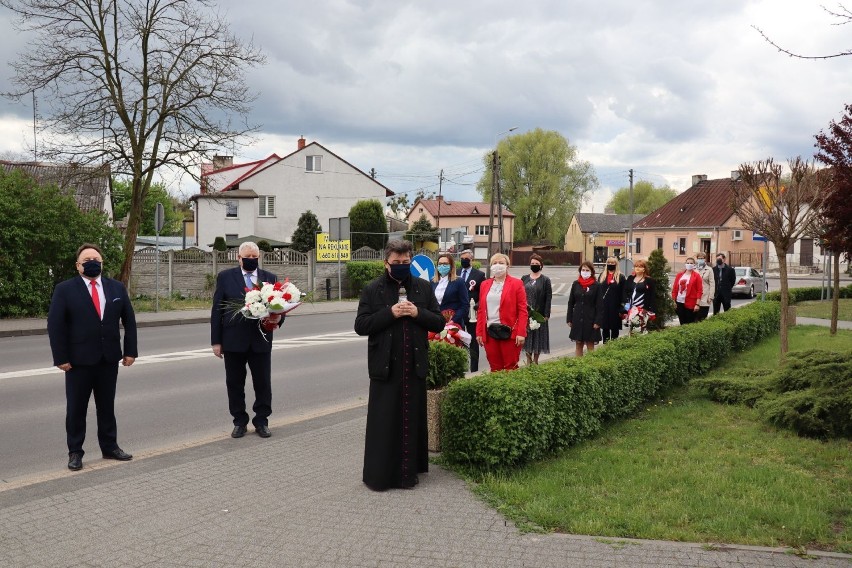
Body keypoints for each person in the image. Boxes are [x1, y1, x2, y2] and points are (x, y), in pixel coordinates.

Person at [354, 240, 444, 491]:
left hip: (413, 365)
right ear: (386, 263)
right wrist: (390, 313)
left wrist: (417, 313)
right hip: (385, 367)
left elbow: (438, 323)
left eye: (406, 263)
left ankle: (409, 472)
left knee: (411, 418)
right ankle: (382, 475)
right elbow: (361, 326)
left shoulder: (424, 288)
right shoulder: (373, 289)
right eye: (397, 263)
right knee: (385, 421)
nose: (402, 266)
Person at [47, 243, 138, 471]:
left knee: (107, 406)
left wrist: (130, 351)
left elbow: (130, 321)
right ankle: (75, 452)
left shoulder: (116, 288)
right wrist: (61, 357)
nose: (92, 262)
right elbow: (55, 325)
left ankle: (110, 447)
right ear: (78, 266)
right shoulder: (65, 289)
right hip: (78, 361)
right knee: (76, 409)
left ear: (102, 263)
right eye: (87, 260)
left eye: (96, 259)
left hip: (108, 359)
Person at [211, 241, 283, 439]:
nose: (251, 260)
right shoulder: (225, 278)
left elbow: (279, 307)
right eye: (248, 257)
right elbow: (218, 310)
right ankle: (239, 421)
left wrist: (277, 319)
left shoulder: (269, 278)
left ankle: (262, 421)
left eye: (255, 257)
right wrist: (216, 342)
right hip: (233, 340)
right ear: (238, 258)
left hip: (260, 340)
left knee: (262, 383)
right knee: (234, 383)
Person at [476, 253, 528, 371]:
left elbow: (522, 310)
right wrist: (479, 332)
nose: (497, 266)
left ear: (507, 266)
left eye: (501, 263)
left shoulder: (516, 283)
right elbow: (481, 310)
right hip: (490, 332)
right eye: (494, 263)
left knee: (511, 366)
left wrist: (521, 333)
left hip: (509, 332)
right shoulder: (485, 284)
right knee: (495, 367)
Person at [567, 261, 603, 357]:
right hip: (577, 318)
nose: (585, 272)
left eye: (587, 270)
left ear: (591, 272)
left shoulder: (596, 285)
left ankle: (590, 367)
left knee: (590, 345)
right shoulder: (576, 284)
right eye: (583, 270)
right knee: (578, 344)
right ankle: (579, 367)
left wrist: (598, 321)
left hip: (590, 319)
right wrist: (569, 318)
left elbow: (600, 305)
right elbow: (571, 303)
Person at [521, 253, 552, 365]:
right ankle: (528, 360)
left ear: (541, 265)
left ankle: (536, 361)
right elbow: (519, 295)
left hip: (539, 314)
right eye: (532, 263)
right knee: (528, 338)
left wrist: (546, 314)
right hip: (526, 313)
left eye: (537, 264)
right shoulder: (524, 278)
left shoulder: (545, 280)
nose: (534, 265)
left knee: (538, 338)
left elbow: (548, 298)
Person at [458, 250, 486, 372]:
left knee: (473, 342)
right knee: (457, 339)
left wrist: (478, 305)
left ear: (472, 260)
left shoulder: (479, 275)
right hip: (458, 313)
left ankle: (474, 370)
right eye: (462, 258)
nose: (464, 260)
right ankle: (459, 368)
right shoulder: (456, 273)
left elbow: (483, 294)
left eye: (466, 258)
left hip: (472, 314)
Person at [431, 252, 468, 325]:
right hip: (436, 323)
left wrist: (453, 320)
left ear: (451, 266)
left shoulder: (459, 282)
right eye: (440, 264)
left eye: (445, 264)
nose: (442, 266)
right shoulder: (432, 282)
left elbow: (465, 305)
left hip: (454, 324)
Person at [598, 256, 626, 343]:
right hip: (604, 307)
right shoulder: (602, 276)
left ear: (616, 264)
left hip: (615, 307)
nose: (610, 265)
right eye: (609, 263)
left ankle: (613, 349)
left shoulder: (620, 277)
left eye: (612, 263)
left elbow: (624, 294)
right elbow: (598, 292)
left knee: (614, 330)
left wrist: (623, 308)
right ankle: (606, 349)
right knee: (605, 330)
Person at [622, 259, 657, 328]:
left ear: (644, 269)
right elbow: (625, 291)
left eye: (640, 266)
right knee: (631, 327)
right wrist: (626, 304)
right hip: (631, 307)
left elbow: (652, 296)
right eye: (636, 266)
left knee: (641, 328)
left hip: (642, 309)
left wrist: (647, 308)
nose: (637, 268)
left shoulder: (649, 280)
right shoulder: (630, 278)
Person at [672, 257, 703, 325]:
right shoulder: (679, 275)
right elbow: (674, 289)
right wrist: (673, 301)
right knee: (682, 322)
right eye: (687, 263)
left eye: (691, 263)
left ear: (694, 265)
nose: (689, 264)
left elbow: (699, 291)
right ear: (685, 264)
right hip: (679, 302)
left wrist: (697, 304)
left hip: (691, 303)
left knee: (689, 322)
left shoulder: (697, 276)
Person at [694, 252, 715, 322]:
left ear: (705, 259)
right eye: (699, 258)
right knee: (694, 319)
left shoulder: (709, 269)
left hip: (705, 297)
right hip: (695, 297)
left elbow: (712, 284)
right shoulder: (694, 269)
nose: (700, 260)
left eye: (702, 258)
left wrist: (711, 297)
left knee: (702, 318)